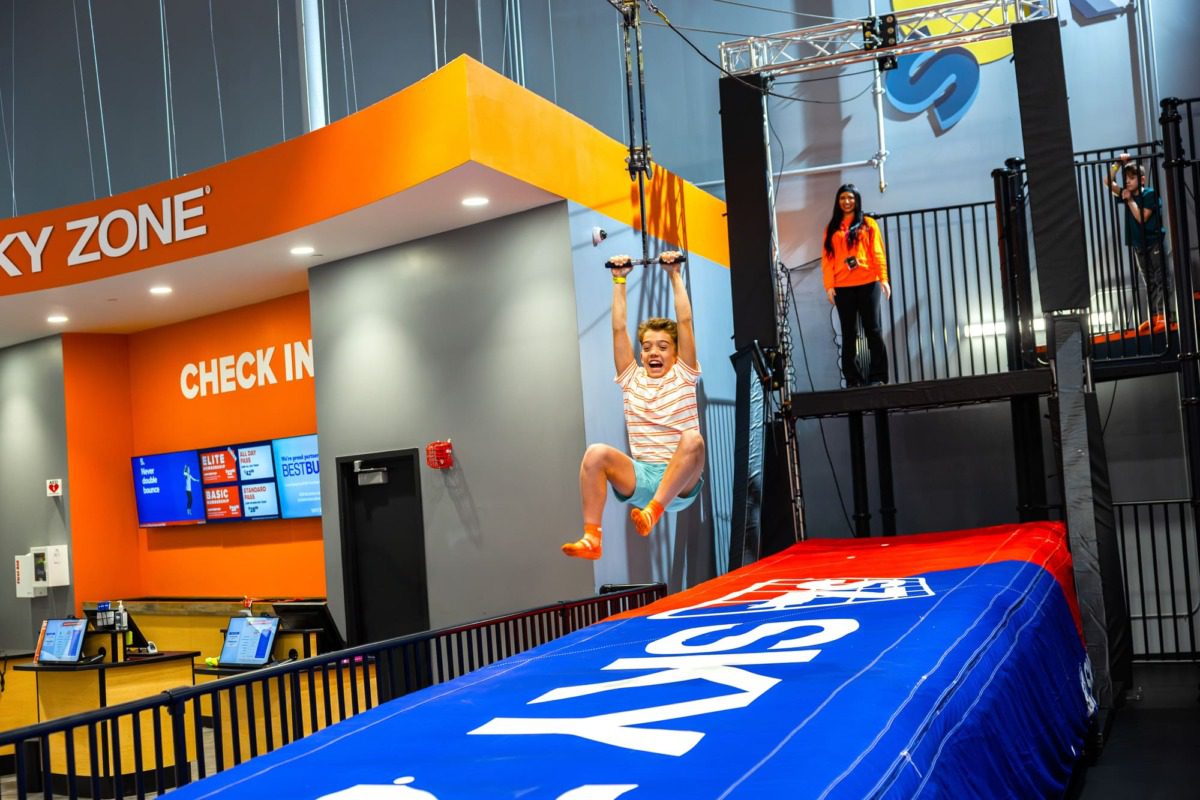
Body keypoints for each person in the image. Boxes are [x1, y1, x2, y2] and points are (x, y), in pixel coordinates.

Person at [561, 251, 705, 560]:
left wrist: (674, 274)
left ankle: (654, 512)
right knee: (595, 453)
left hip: (680, 482)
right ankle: (592, 538)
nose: (654, 352)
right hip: (642, 476)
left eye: (663, 347)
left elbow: (685, 320)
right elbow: (618, 329)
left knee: (693, 439)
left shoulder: (684, 373)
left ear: (676, 353)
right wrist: (619, 278)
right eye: (648, 347)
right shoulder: (631, 378)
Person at [821, 183, 891, 387]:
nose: (847, 201)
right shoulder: (832, 228)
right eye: (842, 198)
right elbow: (827, 259)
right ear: (838, 201)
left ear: (857, 200)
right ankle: (853, 379)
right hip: (843, 286)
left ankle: (878, 376)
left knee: (873, 330)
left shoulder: (868, 223)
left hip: (868, 283)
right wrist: (829, 285)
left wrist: (883, 278)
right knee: (849, 333)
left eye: (850, 197)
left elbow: (878, 252)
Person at [1103, 154, 1170, 331]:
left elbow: (1142, 217)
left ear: (1141, 179)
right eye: (1126, 178)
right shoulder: (1126, 193)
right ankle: (1154, 317)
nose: (1127, 181)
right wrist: (1117, 163)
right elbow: (1108, 182)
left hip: (1153, 241)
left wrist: (1129, 199)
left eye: (1131, 178)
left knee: (1161, 278)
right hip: (1138, 245)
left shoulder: (1149, 193)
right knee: (1149, 281)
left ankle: (1164, 315)